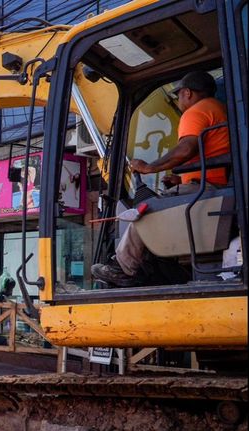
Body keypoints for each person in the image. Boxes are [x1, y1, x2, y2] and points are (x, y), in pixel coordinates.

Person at [92, 71, 230, 287]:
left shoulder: (196, 112)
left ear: (187, 93)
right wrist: (180, 180)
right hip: (214, 186)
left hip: (206, 190)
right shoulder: (219, 109)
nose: (180, 101)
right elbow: (210, 156)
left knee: (146, 211)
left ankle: (123, 268)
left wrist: (149, 166)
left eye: (179, 97)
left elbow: (185, 149)